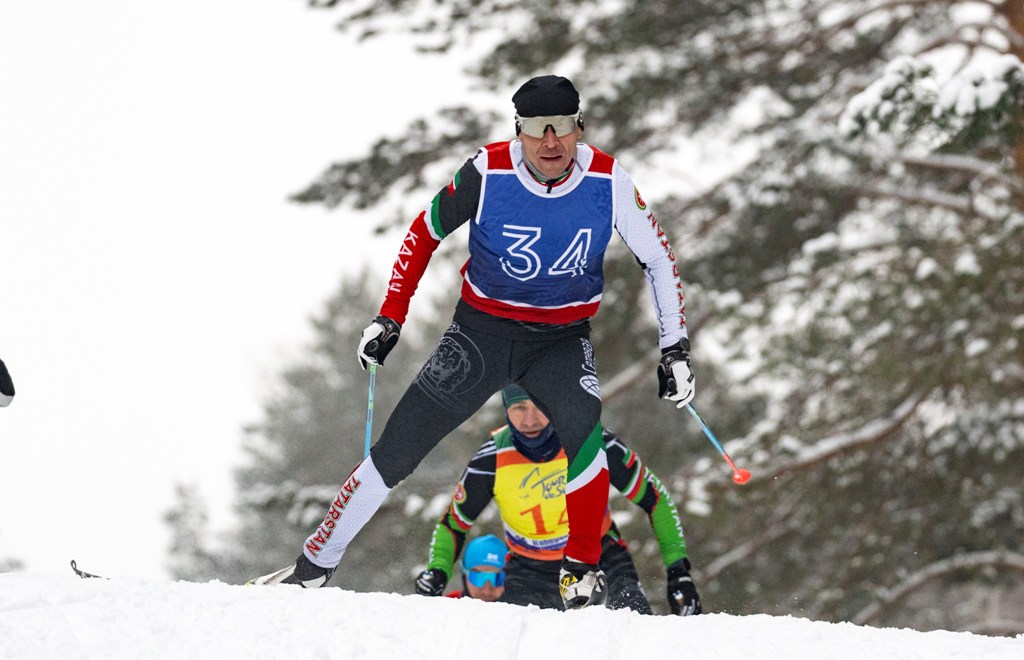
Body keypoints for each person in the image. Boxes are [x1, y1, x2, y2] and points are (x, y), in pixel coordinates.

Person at [250, 75, 696, 610]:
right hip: (481, 333)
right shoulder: (489, 171)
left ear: (581, 127)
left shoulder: (608, 180)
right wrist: (391, 317)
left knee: (585, 428)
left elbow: (659, 259)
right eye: (536, 129)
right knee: (399, 447)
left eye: (563, 128)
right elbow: (424, 232)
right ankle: (313, 567)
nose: (551, 142)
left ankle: (579, 574)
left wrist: (675, 347)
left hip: (560, 338)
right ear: (518, 130)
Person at [415, 385, 702, 615]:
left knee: (627, 640)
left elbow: (656, 499)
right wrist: (438, 570)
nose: (530, 420)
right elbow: (453, 523)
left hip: (599, 558)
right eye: (518, 408)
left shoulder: (591, 441)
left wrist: (679, 572)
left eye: (538, 406)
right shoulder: (491, 459)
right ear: (506, 409)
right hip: (529, 570)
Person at [430, 534, 508, 602]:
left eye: (498, 579)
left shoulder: (518, 614)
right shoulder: (444, 610)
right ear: (464, 575)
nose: (487, 591)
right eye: (477, 578)